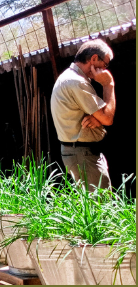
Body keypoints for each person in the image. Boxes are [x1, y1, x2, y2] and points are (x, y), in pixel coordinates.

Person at [50, 39, 115, 191]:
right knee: (101, 207)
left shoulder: (68, 77)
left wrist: (97, 119)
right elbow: (107, 118)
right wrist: (108, 85)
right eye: (105, 64)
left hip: (79, 152)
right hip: (83, 154)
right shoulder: (77, 82)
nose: (105, 69)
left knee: (93, 205)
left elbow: (99, 118)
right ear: (93, 59)